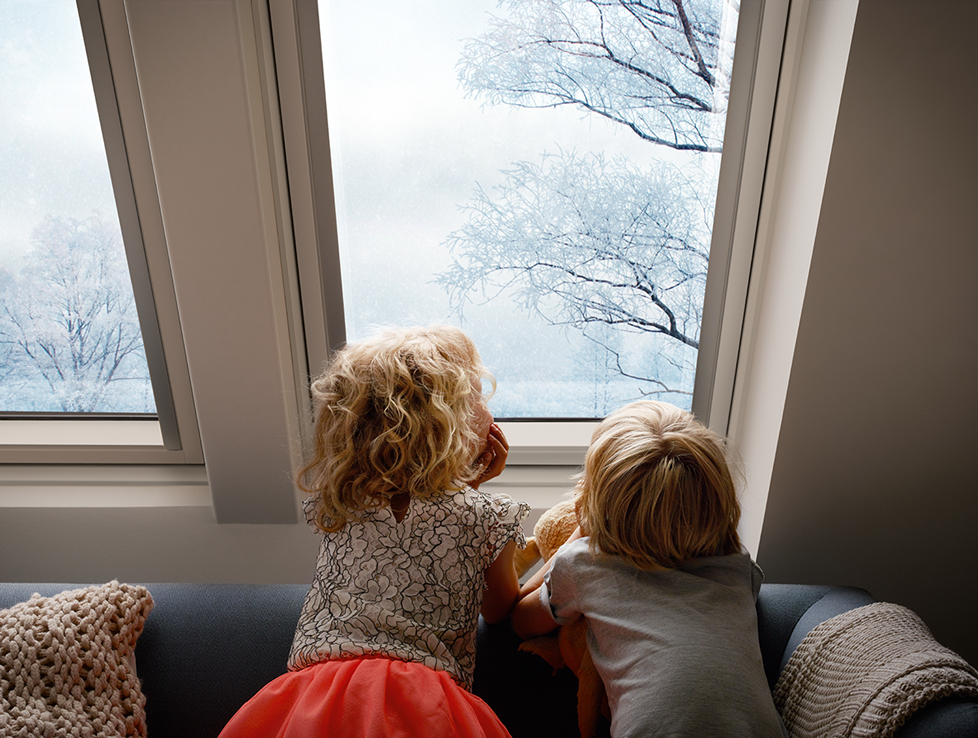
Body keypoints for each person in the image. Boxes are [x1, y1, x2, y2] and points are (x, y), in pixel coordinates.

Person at [219, 325, 528, 738]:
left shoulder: (341, 507)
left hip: (318, 696)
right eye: (479, 401)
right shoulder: (486, 517)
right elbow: (498, 609)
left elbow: (411, 528)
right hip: (421, 700)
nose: (490, 414)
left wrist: (463, 489)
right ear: (452, 431)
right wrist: (472, 493)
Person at [511, 401, 786, 738]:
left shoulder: (586, 562)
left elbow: (521, 620)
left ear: (597, 503)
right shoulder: (738, 566)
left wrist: (580, 532)